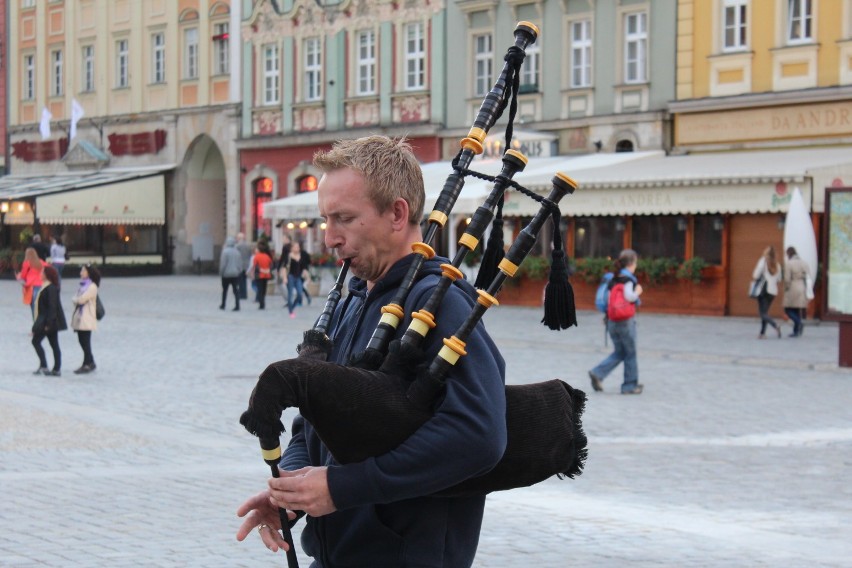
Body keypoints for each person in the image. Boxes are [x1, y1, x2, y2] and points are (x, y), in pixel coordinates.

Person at [235, 136, 507, 567]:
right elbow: (317, 418)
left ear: (397, 213)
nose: (329, 238)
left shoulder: (441, 302)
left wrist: (342, 488)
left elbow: (479, 436)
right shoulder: (354, 297)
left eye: (344, 219)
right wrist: (295, 487)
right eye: (325, 220)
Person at [588, 249, 645, 395]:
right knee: (630, 352)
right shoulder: (627, 279)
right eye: (636, 263)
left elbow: (607, 300)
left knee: (620, 351)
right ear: (632, 263)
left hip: (611, 321)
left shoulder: (612, 278)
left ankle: (598, 373)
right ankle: (630, 385)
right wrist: (638, 291)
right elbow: (630, 297)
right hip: (625, 321)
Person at [31, 265, 67, 376]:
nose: (40, 274)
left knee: (39, 342)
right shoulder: (45, 287)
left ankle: (51, 367)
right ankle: (48, 366)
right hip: (44, 320)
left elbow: (52, 307)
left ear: (47, 275)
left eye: (42, 272)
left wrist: (49, 324)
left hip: (49, 322)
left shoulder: (51, 288)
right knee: (51, 344)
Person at [71, 264, 100, 374]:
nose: (81, 273)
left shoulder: (92, 286)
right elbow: (78, 298)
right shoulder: (83, 285)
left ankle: (88, 363)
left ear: (89, 273)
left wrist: (76, 299)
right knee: (81, 340)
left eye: (83, 271)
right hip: (80, 317)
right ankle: (89, 361)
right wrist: (76, 299)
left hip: (87, 318)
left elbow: (81, 299)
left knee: (85, 341)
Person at [752, 246, 783, 339]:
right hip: (773, 291)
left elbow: (756, 274)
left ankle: (775, 325)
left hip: (763, 289)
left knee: (762, 313)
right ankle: (762, 333)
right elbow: (779, 279)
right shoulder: (777, 265)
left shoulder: (763, 261)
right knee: (765, 312)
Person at [783, 246, 810, 337]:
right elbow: (808, 275)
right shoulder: (804, 263)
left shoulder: (789, 264)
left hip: (792, 287)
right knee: (796, 309)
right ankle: (796, 331)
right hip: (802, 286)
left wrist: (786, 288)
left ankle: (799, 323)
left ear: (789, 254)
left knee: (787, 309)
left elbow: (787, 279)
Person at [280, 240, 310, 318]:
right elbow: (284, 268)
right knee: (290, 295)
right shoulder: (289, 256)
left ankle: (292, 307)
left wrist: (308, 277)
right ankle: (290, 311)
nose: (297, 248)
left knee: (300, 294)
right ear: (292, 248)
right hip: (290, 276)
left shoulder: (301, 257)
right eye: (295, 247)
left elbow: (304, 268)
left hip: (298, 277)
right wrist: (284, 278)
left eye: (298, 247)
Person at [16, 247, 44, 317]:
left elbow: (23, 276)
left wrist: (19, 276)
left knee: (34, 309)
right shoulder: (41, 262)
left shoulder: (26, 263)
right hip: (42, 286)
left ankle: (36, 325)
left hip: (32, 287)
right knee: (42, 308)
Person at [219, 236, 242, 311]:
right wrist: (239, 271)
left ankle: (223, 304)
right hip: (235, 274)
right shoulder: (237, 252)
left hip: (226, 274)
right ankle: (237, 305)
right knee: (236, 291)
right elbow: (239, 264)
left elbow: (223, 264)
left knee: (225, 290)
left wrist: (221, 272)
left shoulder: (225, 252)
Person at [250, 241, 274, 310]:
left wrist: (260, 270)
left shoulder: (256, 257)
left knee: (260, 289)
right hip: (266, 275)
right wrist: (268, 270)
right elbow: (271, 265)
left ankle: (261, 303)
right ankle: (263, 302)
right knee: (264, 290)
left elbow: (255, 266)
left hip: (259, 275)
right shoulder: (267, 256)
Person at [235, 232, 253, 301]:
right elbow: (250, 255)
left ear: (239, 238)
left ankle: (242, 294)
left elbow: (236, 256)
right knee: (244, 280)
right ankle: (244, 293)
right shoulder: (248, 245)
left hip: (240, 265)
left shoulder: (237, 246)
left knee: (240, 281)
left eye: (237, 238)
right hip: (247, 265)